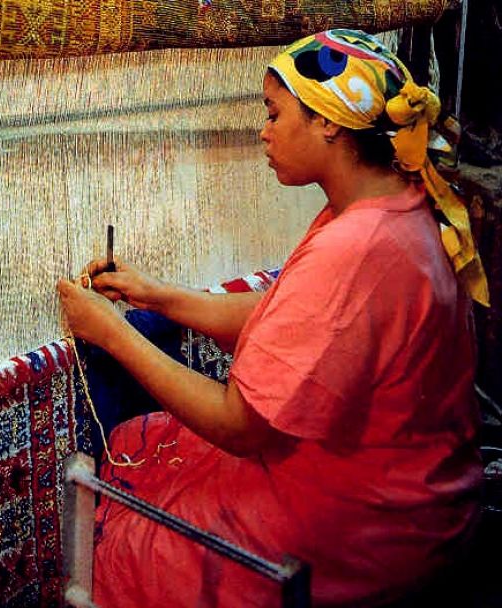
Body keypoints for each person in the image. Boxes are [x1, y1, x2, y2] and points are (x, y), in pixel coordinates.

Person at [57, 29, 488, 607]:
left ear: (329, 123)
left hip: (368, 527)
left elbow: (240, 426)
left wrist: (109, 333)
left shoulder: (355, 248)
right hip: (420, 493)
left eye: (273, 112)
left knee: (134, 544)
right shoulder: (396, 205)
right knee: (147, 445)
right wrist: (154, 295)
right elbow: (284, 316)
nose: (263, 131)